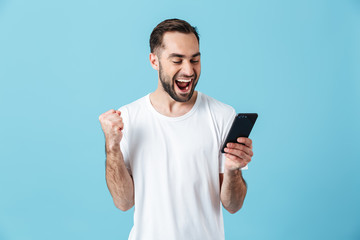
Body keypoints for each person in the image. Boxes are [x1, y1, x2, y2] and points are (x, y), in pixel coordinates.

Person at [99, 18, 254, 240]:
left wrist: (232, 169)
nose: (189, 70)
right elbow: (123, 203)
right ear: (154, 61)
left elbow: (233, 205)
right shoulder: (129, 118)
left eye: (195, 60)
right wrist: (112, 147)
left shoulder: (222, 115)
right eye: (177, 60)